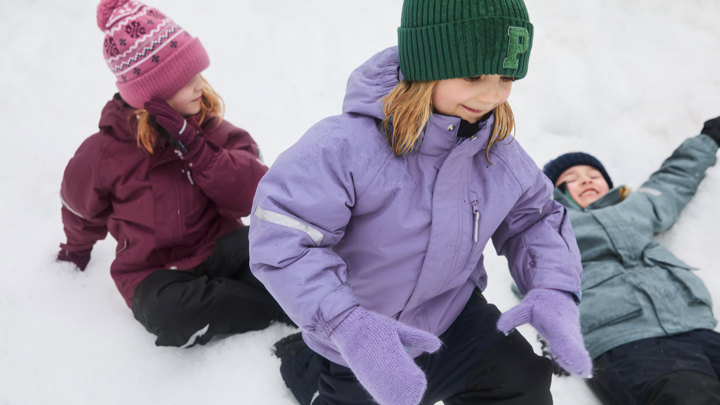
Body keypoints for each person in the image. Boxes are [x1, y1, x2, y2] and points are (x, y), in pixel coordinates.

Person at [249, 1, 594, 404]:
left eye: (505, 76)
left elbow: (534, 218)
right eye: (472, 75)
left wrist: (554, 285)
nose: (491, 94)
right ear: (427, 64)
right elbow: (284, 237)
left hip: (453, 315)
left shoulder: (495, 150)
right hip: (364, 336)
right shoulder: (345, 147)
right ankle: (306, 366)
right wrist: (347, 323)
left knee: (521, 380)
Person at [56, 0, 289, 348]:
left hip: (219, 247)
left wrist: (200, 152)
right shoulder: (103, 153)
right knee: (170, 313)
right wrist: (77, 251)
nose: (200, 86)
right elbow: (79, 209)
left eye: (199, 74)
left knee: (281, 253)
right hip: (153, 274)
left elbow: (256, 194)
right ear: (153, 93)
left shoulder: (211, 130)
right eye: (186, 80)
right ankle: (271, 307)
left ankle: (248, 302)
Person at [542, 117, 720, 404]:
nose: (585, 179)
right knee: (687, 395)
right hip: (624, 339)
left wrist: (709, 139)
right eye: (571, 179)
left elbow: (674, 179)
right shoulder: (550, 229)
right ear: (557, 194)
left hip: (693, 325)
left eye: (593, 174)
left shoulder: (638, 206)